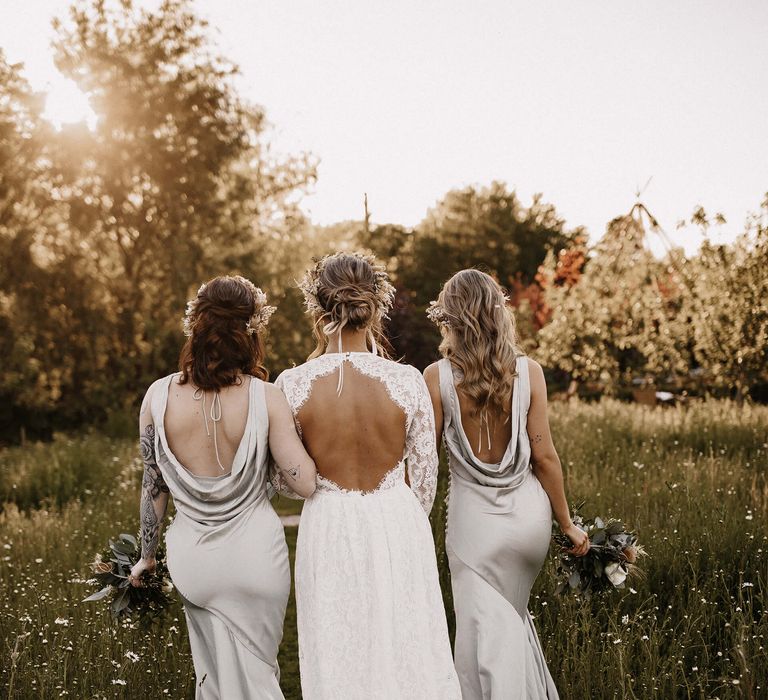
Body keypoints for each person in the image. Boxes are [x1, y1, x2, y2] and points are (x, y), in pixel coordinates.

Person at [272, 252, 461, 700]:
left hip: (329, 525)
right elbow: (426, 478)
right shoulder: (408, 380)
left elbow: (284, 482)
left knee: (339, 645)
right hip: (398, 520)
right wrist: (394, 513)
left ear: (318, 308)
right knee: (406, 647)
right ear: (376, 305)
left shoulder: (293, 384)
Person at [129, 275, 317, 700]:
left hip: (195, 562)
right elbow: (304, 482)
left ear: (194, 325)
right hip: (256, 561)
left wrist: (146, 557)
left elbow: (153, 487)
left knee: (212, 678)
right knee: (258, 676)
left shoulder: (157, 397)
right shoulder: (267, 397)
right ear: (252, 330)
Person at [423, 268, 589, 700]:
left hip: (473, 527)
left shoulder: (435, 378)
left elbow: (427, 462)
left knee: (483, 637)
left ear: (451, 316)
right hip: (526, 524)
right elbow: (545, 456)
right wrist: (567, 524)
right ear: (499, 313)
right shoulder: (529, 371)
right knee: (509, 624)